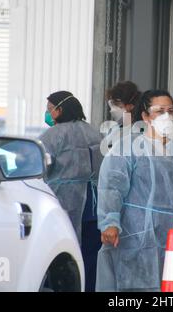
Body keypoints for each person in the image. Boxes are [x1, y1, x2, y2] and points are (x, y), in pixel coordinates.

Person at [96, 90, 173, 292]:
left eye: (170, 110)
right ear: (145, 116)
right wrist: (110, 222)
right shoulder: (127, 148)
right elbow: (111, 187)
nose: (167, 115)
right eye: (159, 110)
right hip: (135, 235)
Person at [39, 91, 103, 292]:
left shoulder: (53, 135)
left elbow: (36, 164)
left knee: (62, 261)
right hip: (94, 207)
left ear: (60, 110)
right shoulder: (94, 132)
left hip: (65, 206)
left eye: (50, 109)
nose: (48, 114)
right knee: (90, 261)